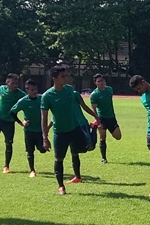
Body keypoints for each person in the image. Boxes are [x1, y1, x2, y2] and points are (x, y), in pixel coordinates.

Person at [40, 65, 97, 195]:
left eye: (66, 75)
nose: (66, 78)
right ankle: (61, 186)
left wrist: (94, 117)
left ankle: (90, 132)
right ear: (54, 78)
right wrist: (45, 137)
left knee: (87, 147)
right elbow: (44, 118)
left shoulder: (70, 90)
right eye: (63, 76)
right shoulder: (47, 96)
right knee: (59, 159)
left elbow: (81, 106)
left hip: (75, 129)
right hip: (60, 132)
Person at [10, 78, 50, 178]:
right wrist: (21, 122)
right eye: (32, 90)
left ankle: (42, 146)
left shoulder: (41, 99)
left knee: (42, 149)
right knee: (30, 151)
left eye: (35, 89)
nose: (34, 91)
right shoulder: (23, 101)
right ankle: (32, 170)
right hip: (29, 131)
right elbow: (12, 112)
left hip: (40, 130)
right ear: (27, 90)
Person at [0, 73, 24, 173]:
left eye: (16, 83)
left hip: (9, 122)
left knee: (9, 143)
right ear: (7, 83)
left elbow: (27, 101)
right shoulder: (2, 89)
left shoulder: (20, 94)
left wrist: (24, 120)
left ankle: (6, 166)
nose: (15, 85)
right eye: (12, 83)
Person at [89, 74, 122, 164]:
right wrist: (98, 121)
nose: (101, 83)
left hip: (111, 118)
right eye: (98, 81)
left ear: (105, 81)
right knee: (102, 138)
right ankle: (104, 158)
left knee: (118, 137)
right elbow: (93, 110)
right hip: (101, 118)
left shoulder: (109, 90)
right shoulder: (94, 95)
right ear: (95, 83)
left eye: (102, 80)